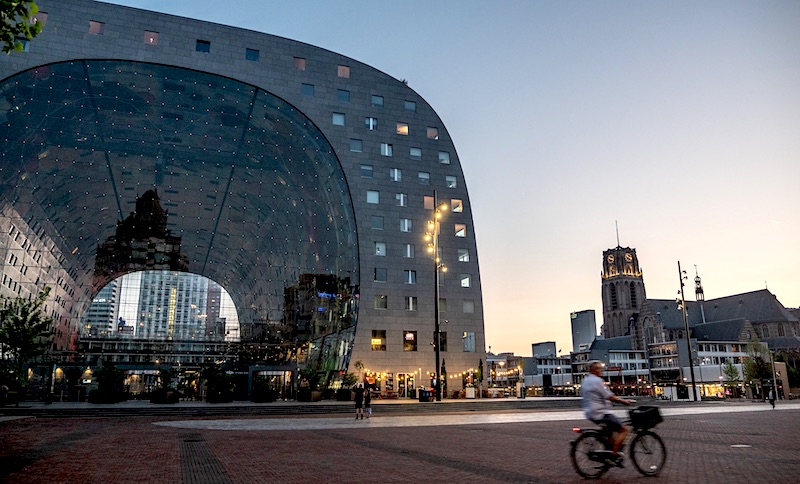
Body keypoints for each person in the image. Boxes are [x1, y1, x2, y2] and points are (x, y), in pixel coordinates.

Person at [581, 360, 634, 466]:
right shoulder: (597, 381)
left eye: (601, 368)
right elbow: (609, 396)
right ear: (592, 370)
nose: (600, 370)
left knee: (609, 434)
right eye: (598, 368)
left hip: (589, 412)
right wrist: (624, 401)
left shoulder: (585, 380)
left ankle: (609, 451)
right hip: (600, 413)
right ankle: (613, 456)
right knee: (624, 429)